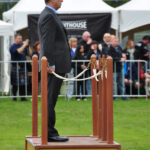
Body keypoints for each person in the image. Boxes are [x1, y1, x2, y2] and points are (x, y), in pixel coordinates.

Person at [38, 0, 71, 142]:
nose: (62, 0)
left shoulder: (51, 14)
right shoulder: (48, 16)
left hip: (56, 64)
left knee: (51, 98)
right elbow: (47, 41)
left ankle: (49, 131)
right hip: (53, 66)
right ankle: (49, 133)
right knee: (50, 99)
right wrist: (50, 63)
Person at [10, 33, 29, 101]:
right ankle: (14, 97)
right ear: (15, 39)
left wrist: (27, 46)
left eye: (21, 38)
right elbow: (18, 51)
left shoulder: (22, 45)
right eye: (18, 38)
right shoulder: (12, 46)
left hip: (22, 67)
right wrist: (24, 45)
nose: (20, 40)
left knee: (23, 83)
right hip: (16, 67)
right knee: (15, 84)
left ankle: (22, 97)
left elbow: (27, 54)